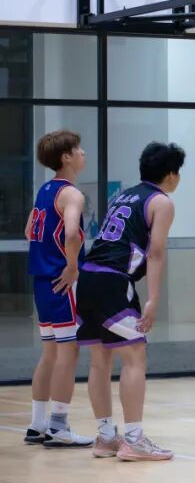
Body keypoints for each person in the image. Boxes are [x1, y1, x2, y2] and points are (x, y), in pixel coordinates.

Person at [77, 141, 185, 461]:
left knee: (99, 360)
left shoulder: (123, 195)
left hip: (88, 277)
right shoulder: (161, 202)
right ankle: (134, 440)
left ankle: (106, 437)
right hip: (113, 281)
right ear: (171, 174)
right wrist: (153, 299)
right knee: (135, 355)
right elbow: (156, 253)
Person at [24, 130, 92, 448]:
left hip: (41, 281)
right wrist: (72, 267)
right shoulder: (71, 194)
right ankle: (59, 426)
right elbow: (72, 234)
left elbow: (29, 230)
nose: (83, 153)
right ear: (66, 157)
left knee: (50, 353)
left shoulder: (45, 190)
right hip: (62, 281)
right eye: (79, 149)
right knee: (69, 351)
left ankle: (37, 425)